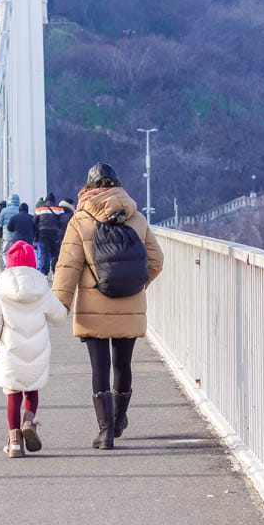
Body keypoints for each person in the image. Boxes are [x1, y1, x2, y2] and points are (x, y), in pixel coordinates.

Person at [51, 162, 164, 450]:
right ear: (116, 184)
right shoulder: (136, 217)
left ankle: (105, 433)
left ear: (89, 188)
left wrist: (58, 306)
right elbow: (156, 261)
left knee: (99, 367)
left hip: (93, 304)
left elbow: (68, 267)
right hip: (129, 302)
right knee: (123, 364)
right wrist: (135, 284)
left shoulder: (80, 220)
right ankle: (119, 418)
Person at [0, 240, 68, 457]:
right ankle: (29, 419)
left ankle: (14, 441)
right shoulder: (42, 290)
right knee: (32, 389)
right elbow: (59, 316)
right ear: (33, 264)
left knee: (13, 393)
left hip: (10, 351)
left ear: (8, 264)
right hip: (36, 350)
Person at [34, 193, 65, 276]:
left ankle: (45, 273)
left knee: (44, 253)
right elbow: (62, 221)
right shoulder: (59, 209)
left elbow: (34, 221)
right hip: (54, 233)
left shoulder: (40, 209)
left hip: (42, 233)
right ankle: (55, 272)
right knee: (55, 253)